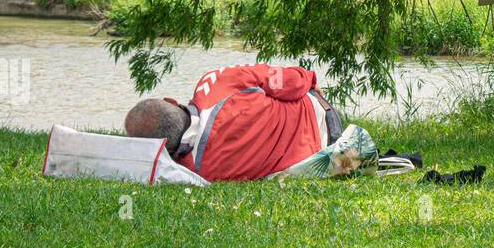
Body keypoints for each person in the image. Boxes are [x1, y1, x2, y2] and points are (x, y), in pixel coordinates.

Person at [124, 63, 341, 181]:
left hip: (324, 153)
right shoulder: (215, 82)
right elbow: (284, 80)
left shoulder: (196, 172)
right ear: (171, 101)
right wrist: (309, 79)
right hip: (319, 107)